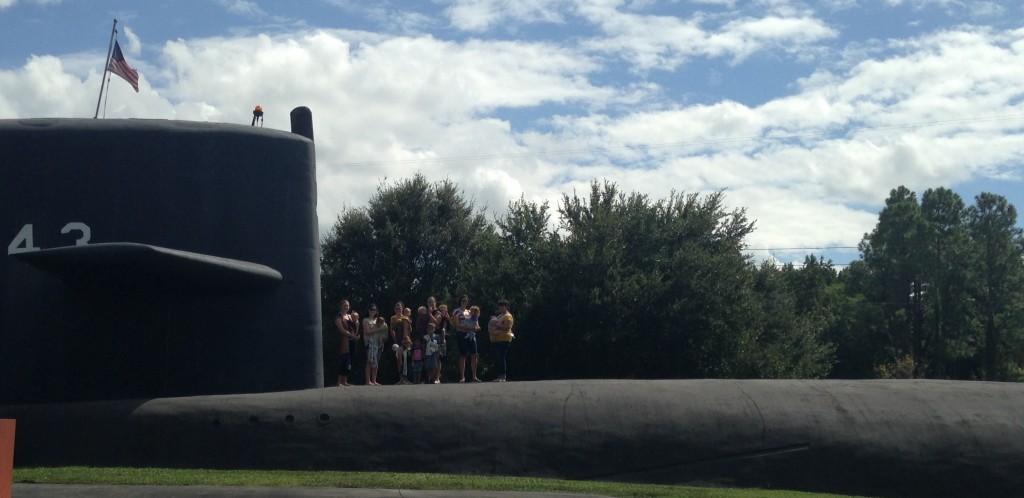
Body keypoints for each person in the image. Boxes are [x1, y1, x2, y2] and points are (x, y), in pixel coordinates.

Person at [455, 296, 482, 383]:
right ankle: (462, 377)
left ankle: (474, 376)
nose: (465, 302)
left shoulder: (470, 311)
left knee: (474, 354)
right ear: (460, 301)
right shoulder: (457, 311)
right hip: (462, 334)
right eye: (463, 301)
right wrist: (469, 328)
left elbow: (475, 321)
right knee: (463, 355)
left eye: (466, 301)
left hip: (472, 335)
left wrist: (477, 327)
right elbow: (457, 324)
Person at [334, 300, 360, 386]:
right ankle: (339, 382)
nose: (346, 307)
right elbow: (342, 330)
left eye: (347, 306)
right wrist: (353, 336)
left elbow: (355, 328)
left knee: (350, 361)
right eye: (344, 305)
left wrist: (357, 324)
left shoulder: (350, 316)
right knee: (344, 360)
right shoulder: (338, 317)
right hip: (344, 342)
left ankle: (344, 381)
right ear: (341, 306)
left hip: (352, 342)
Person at [362, 304, 388, 386]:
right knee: (370, 361)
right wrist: (379, 329)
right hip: (370, 343)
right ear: (368, 310)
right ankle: (368, 381)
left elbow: (385, 331)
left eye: (374, 309)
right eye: (371, 309)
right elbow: (367, 332)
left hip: (379, 344)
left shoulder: (379, 320)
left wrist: (383, 338)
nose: (373, 311)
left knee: (376, 362)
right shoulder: (366, 320)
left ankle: (374, 380)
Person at [489, 300, 514, 382]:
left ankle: (502, 376)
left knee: (501, 357)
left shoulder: (507, 316)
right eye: (500, 306)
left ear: (507, 307)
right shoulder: (500, 316)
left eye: (502, 306)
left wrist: (496, 325)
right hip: (495, 340)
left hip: (503, 339)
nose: (500, 308)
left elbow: (507, 327)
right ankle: (499, 375)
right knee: (497, 358)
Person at [391, 302, 412, 384]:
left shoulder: (405, 318)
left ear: (402, 308)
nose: (398, 309)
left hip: (405, 340)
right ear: (394, 309)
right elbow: (392, 329)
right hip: (397, 340)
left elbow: (409, 330)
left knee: (406, 359)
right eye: (396, 308)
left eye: (399, 308)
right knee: (399, 360)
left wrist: (406, 341)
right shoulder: (393, 318)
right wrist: (394, 339)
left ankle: (407, 379)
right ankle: (401, 379)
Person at [433, 303, 451, 383]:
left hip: (442, 339)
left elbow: (446, 328)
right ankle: (435, 377)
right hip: (437, 338)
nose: (444, 312)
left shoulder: (446, 318)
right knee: (436, 357)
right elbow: (437, 325)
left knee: (439, 358)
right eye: (442, 310)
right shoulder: (438, 315)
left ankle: (437, 377)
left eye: (445, 310)